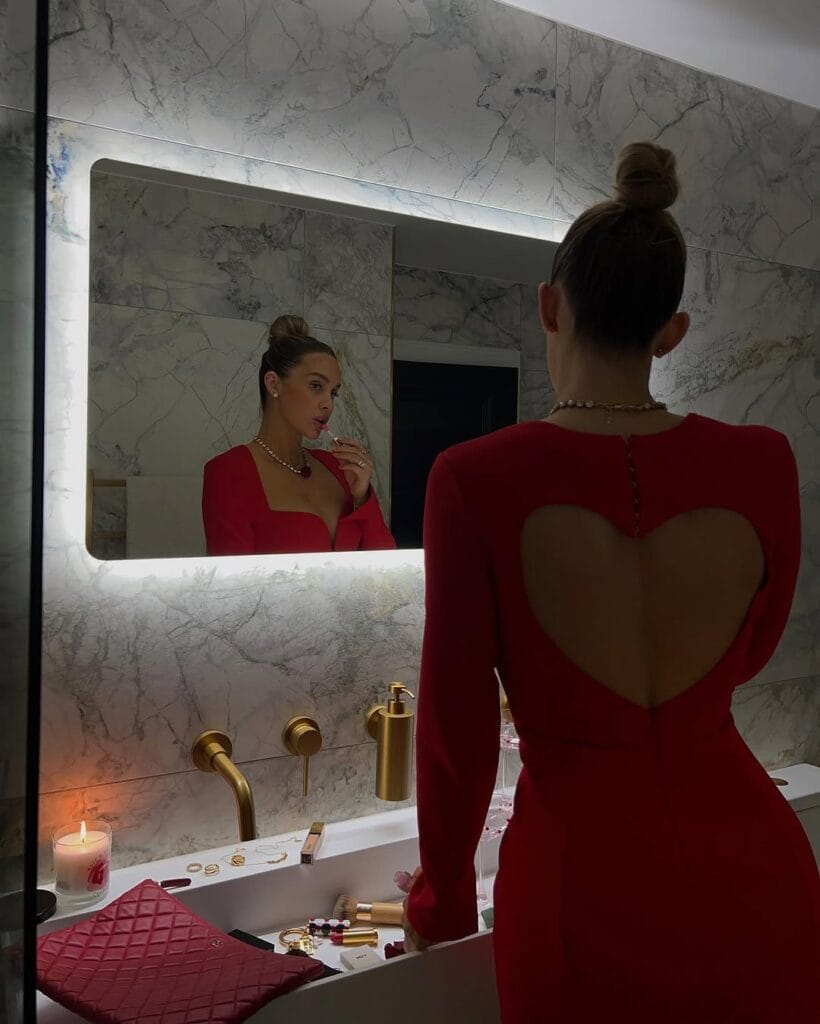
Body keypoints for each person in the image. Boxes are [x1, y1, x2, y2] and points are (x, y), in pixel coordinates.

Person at [402, 142, 818, 1021]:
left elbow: (454, 729)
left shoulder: (472, 478)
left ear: (549, 306)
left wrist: (438, 903)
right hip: (759, 875)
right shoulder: (763, 462)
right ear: (672, 332)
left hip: (578, 894)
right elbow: (750, 656)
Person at [202, 315, 396, 554]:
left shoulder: (337, 468)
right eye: (316, 386)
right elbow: (232, 587)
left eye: (333, 393)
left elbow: (384, 568)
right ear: (273, 384)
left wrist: (362, 497)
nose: (328, 404)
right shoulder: (229, 471)